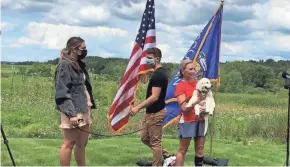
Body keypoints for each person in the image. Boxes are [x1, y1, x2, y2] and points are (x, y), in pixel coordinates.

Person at [54, 37, 96, 166]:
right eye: (82, 48)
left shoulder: (79, 64)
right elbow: (62, 92)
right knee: (69, 143)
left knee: (82, 143)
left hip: (84, 106)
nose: (85, 51)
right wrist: (71, 114)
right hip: (72, 109)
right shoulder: (64, 65)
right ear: (74, 49)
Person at [130, 47, 169, 166]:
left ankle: (157, 164)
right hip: (150, 113)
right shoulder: (157, 73)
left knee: (155, 143)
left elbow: (154, 97)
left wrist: (137, 107)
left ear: (157, 59)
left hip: (156, 113)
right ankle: (166, 154)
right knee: (144, 137)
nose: (147, 60)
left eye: (149, 58)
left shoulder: (159, 75)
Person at [175, 60, 207, 166]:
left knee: (200, 148)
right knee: (183, 150)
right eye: (190, 69)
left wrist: (205, 108)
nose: (193, 71)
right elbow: (184, 108)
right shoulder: (180, 86)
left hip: (200, 119)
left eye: (194, 69)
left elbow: (205, 100)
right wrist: (196, 101)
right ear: (183, 71)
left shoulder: (199, 84)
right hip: (187, 120)